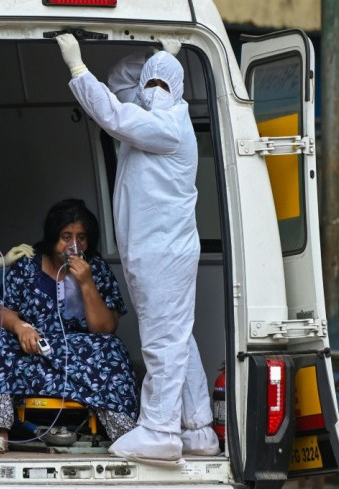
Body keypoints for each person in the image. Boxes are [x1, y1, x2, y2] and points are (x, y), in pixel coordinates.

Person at [55, 34, 219, 464]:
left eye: (163, 86)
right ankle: (197, 427)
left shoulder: (166, 126)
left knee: (163, 340)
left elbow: (111, 112)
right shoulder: (152, 113)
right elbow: (120, 80)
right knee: (177, 337)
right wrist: (157, 56)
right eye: (151, 85)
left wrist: (76, 67)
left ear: (178, 92)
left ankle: (161, 429)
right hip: (157, 252)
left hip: (163, 254)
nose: (153, 93)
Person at [0, 199, 139, 451]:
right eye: (66, 236)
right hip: (32, 352)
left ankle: (123, 434)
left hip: (79, 356)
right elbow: (0, 310)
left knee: (112, 348)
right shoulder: (28, 265)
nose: (74, 245)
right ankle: (0, 430)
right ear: (52, 237)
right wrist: (21, 327)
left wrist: (86, 282)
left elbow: (105, 329)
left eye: (81, 237)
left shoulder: (96, 269)